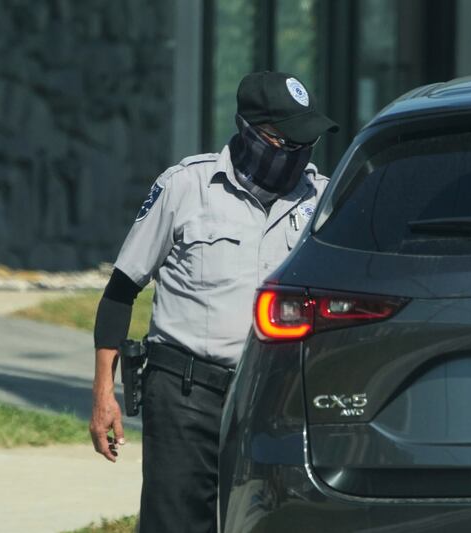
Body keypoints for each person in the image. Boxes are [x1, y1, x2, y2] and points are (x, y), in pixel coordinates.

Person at [89, 71, 339, 532]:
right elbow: (120, 293)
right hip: (186, 396)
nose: (298, 154)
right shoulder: (187, 187)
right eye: (287, 141)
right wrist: (104, 393)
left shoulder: (321, 200)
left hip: (276, 399)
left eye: (306, 141)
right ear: (250, 131)